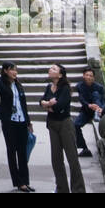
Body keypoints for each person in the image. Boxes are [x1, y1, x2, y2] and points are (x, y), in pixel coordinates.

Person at [0, 59, 34, 193]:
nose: (15, 72)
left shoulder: (18, 84)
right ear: (6, 71)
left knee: (22, 152)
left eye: (16, 69)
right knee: (12, 152)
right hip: (9, 122)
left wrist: (28, 122)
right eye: (12, 69)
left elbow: (23, 105)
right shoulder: (0, 82)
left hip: (21, 121)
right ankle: (18, 182)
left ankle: (25, 181)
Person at [40, 62, 86, 192]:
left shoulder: (65, 88)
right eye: (51, 67)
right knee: (56, 159)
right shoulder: (49, 87)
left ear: (60, 74)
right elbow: (41, 101)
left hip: (65, 124)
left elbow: (60, 106)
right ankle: (61, 188)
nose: (50, 69)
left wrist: (47, 105)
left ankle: (78, 189)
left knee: (72, 158)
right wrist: (48, 103)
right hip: (52, 125)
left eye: (53, 68)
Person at [74, 67, 105, 157]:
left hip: (100, 111)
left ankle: (97, 113)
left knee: (96, 94)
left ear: (93, 78)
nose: (89, 77)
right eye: (87, 75)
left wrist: (101, 109)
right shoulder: (80, 86)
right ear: (83, 76)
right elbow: (81, 99)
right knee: (75, 125)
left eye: (91, 76)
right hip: (87, 110)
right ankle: (84, 149)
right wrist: (89, 105)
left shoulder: (99, 87)